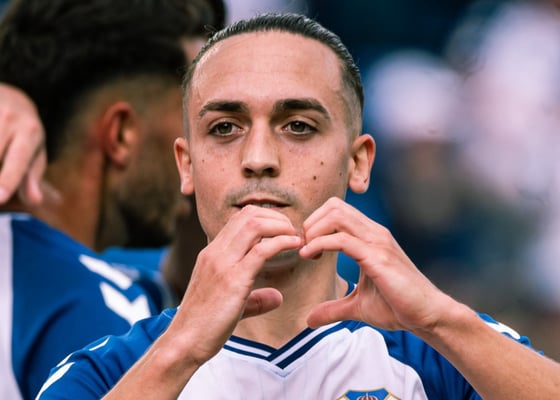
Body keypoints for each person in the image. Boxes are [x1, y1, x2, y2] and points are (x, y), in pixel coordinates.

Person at [36, 12, 560, 400]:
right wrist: (182, 348)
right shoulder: (109, 372)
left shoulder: (444, 353)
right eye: (225, 128)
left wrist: (440, 320)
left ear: (358, 163)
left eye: (298, 126)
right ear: (187, 167)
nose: (259, 159)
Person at [0, 0, 224, 398]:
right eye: (192, 119)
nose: (197, 150)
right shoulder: (93, 304)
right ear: (121, 133)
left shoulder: (35, 282)